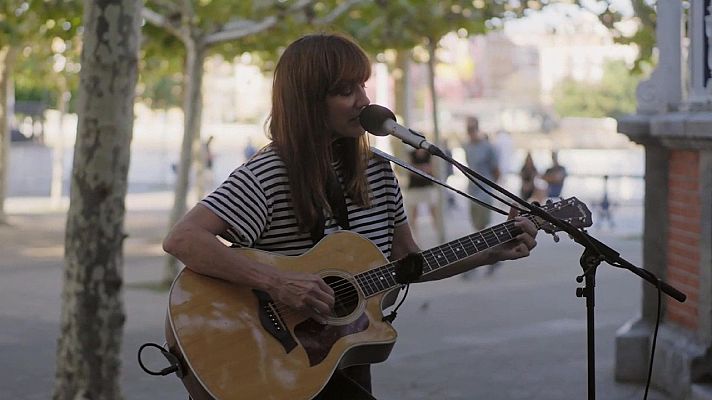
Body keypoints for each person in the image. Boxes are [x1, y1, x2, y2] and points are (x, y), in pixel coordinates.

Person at [162, 32, 538, 400]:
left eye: (363, 86)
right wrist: (278, 283)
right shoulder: (270, 173)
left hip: (343, 352)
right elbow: (184, 238)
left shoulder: (376, 171)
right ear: (308, 102)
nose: (364, 101)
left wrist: (492, 249)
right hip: (275, 359)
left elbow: (409, 264)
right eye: (346, 91)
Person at [463, 116, 500, 231]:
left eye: (472, 128)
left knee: (482, 225)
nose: (470, 132)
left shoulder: (488, 147)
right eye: (468, 129)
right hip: (472, 190)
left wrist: (490, 186)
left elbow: (496, 170)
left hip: (485, 191)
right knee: (475, 224)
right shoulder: (467, 146)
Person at [404, 148, 439, 236]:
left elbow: (432, 168)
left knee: (433, 211)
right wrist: (423, 168)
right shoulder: (411, 154)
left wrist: (417, 168)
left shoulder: (429, 154)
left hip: (428, 186)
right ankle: (414, 234)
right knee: (413, 212)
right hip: (414, 187)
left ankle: (437, 232)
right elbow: (409, 169)